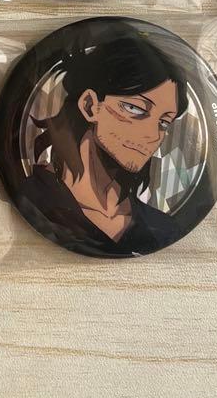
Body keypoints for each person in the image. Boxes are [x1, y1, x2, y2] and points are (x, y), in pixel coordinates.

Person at [21, 34, 188, 255]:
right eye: (135, 109)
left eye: (163, 122)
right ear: (90, 105)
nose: (153, 135)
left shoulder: (162, 228)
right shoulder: (32, 196)